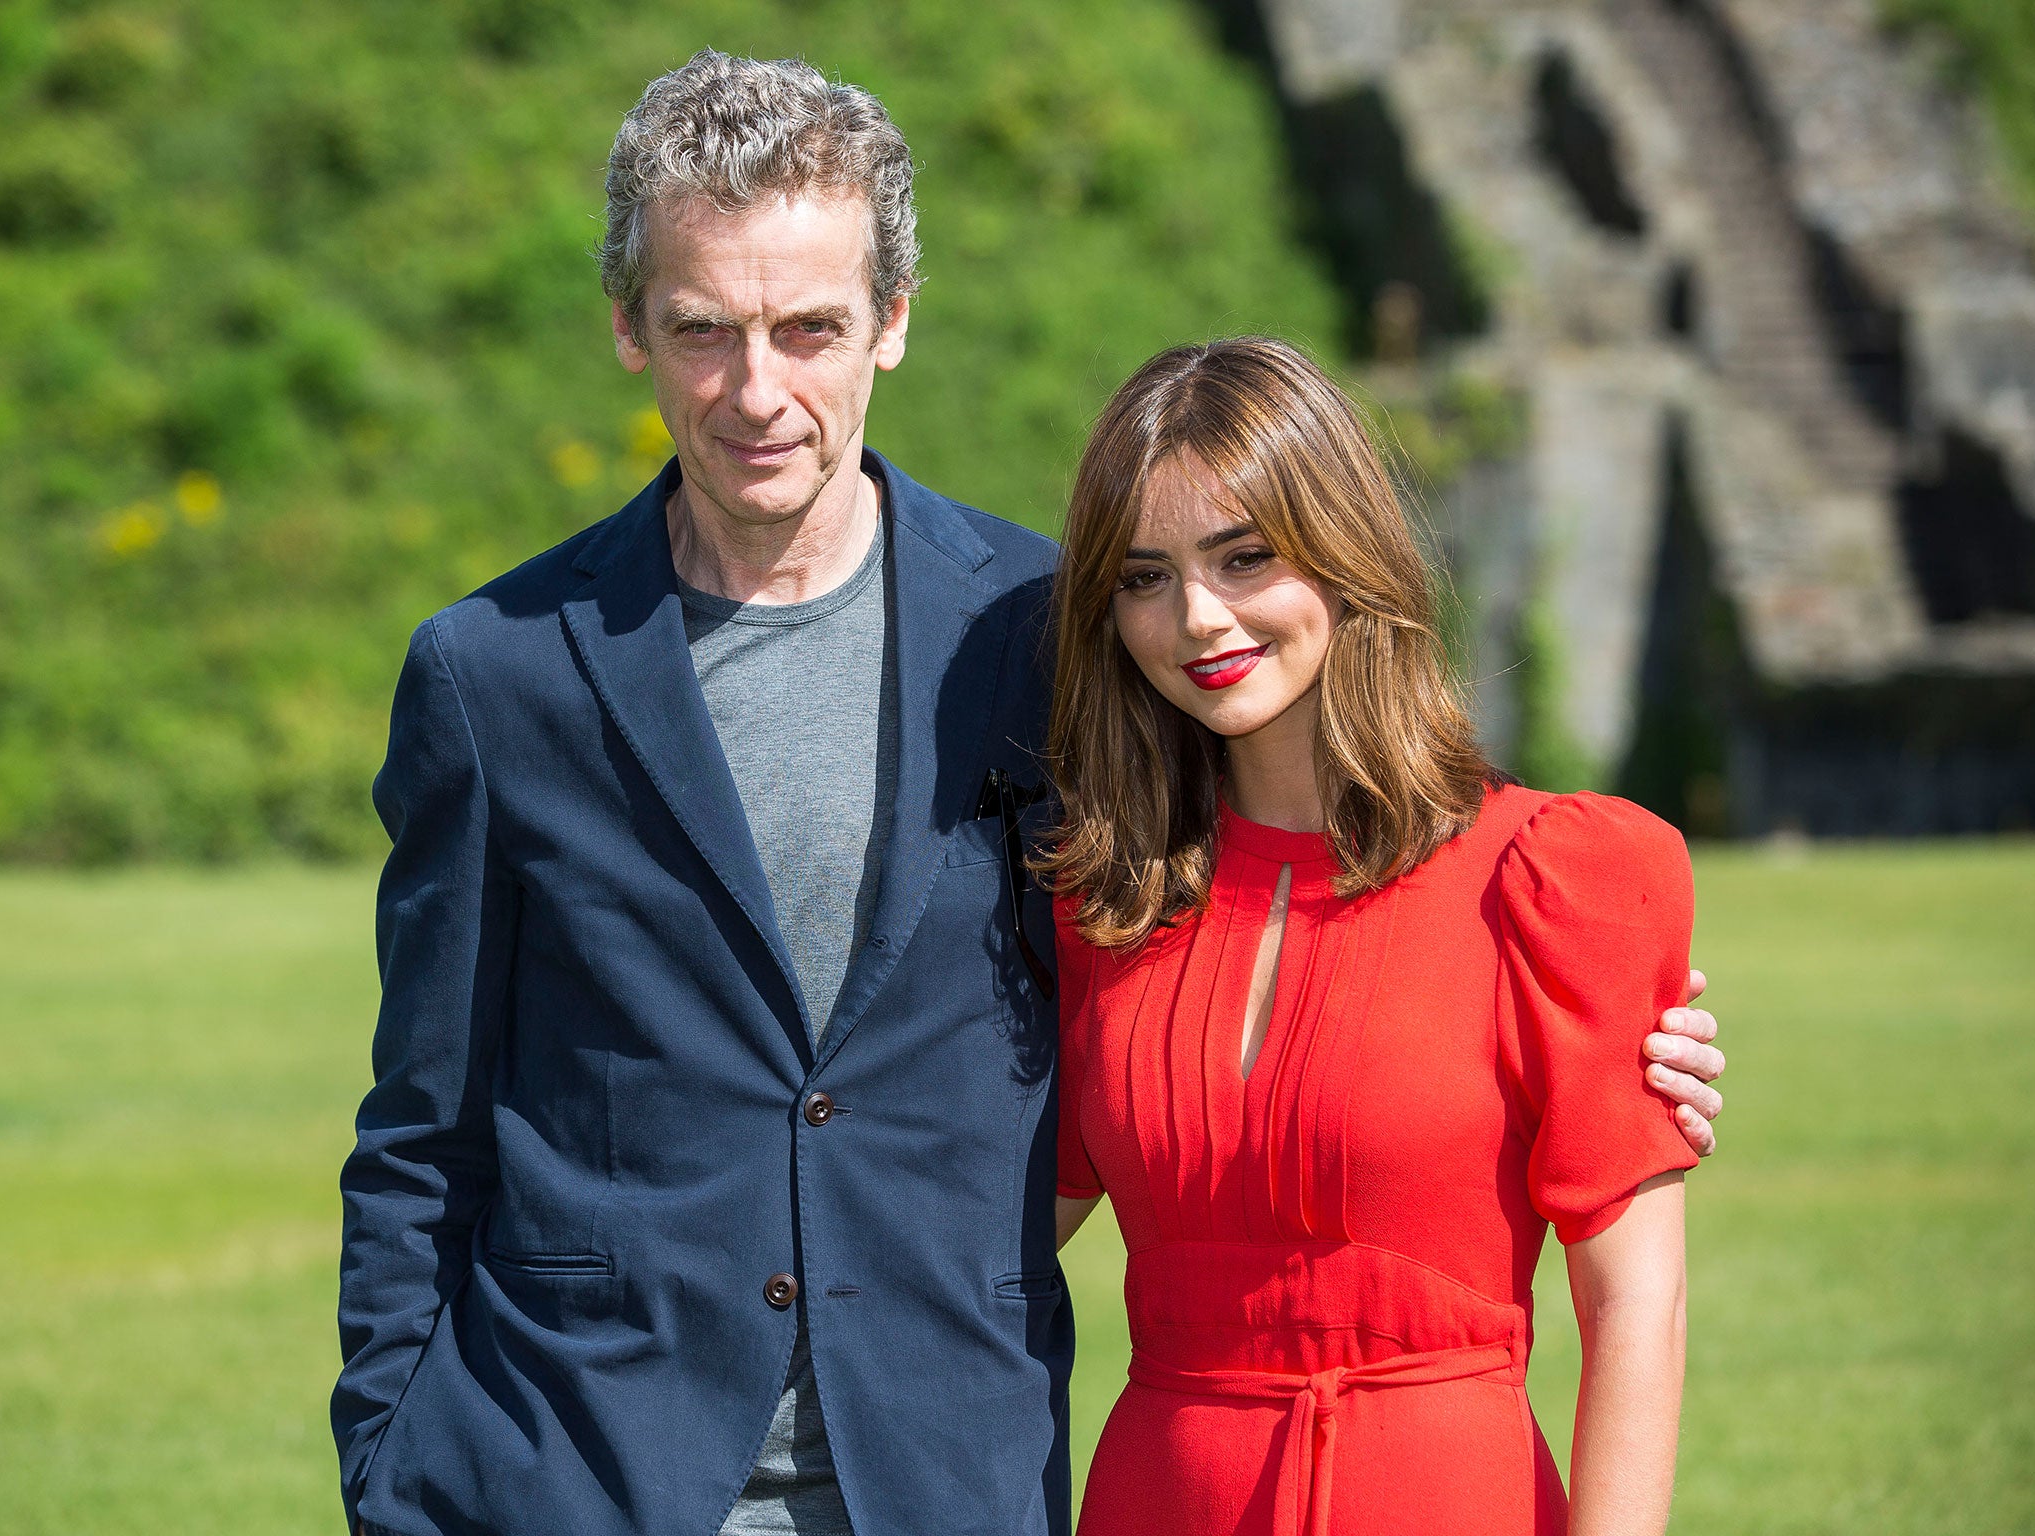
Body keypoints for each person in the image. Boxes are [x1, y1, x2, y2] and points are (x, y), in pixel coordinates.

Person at [332, 54, 1727, 1536]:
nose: (759, 391)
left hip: (945, 1472)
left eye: (810, 327)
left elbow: (1326, 881)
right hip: (579, 1475)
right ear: (629, 327)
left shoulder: (1048, 633)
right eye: (702, 331)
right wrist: (393, 1467)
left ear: (896, 321)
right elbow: (424, 1135)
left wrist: (1614, 1035)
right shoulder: (498, 678)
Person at [1044, 337, 1700, 1535]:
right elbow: (979, 1229)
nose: (1196, 618)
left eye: (1243, 558)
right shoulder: (1099, 901)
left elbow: (1634, 1306)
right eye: (1143, 577)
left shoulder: (1552, 875)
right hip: (1154, 1497)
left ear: (1345, 553)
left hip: (1449, 1495)